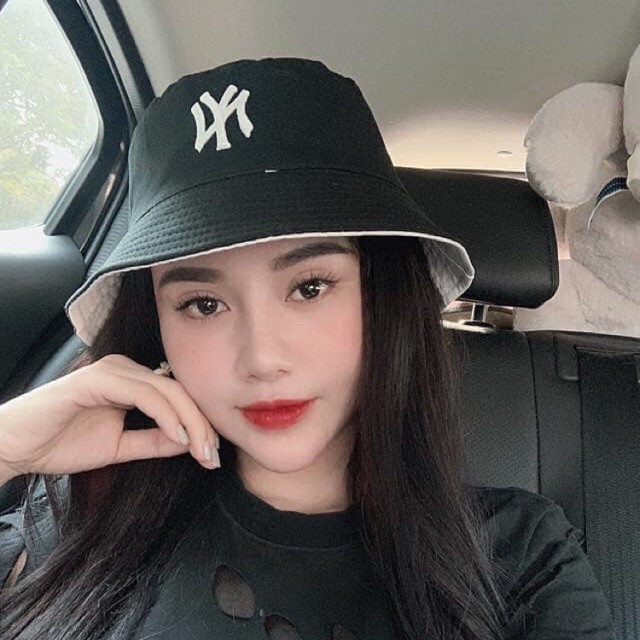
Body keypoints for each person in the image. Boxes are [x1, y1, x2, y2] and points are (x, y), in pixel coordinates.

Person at [0, 58, 614, 640]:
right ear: (157, 326)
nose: (263, 358)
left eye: (310, 287)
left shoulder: (522, 556)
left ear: (383, 296)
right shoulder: (89, 513)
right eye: (203, 304)